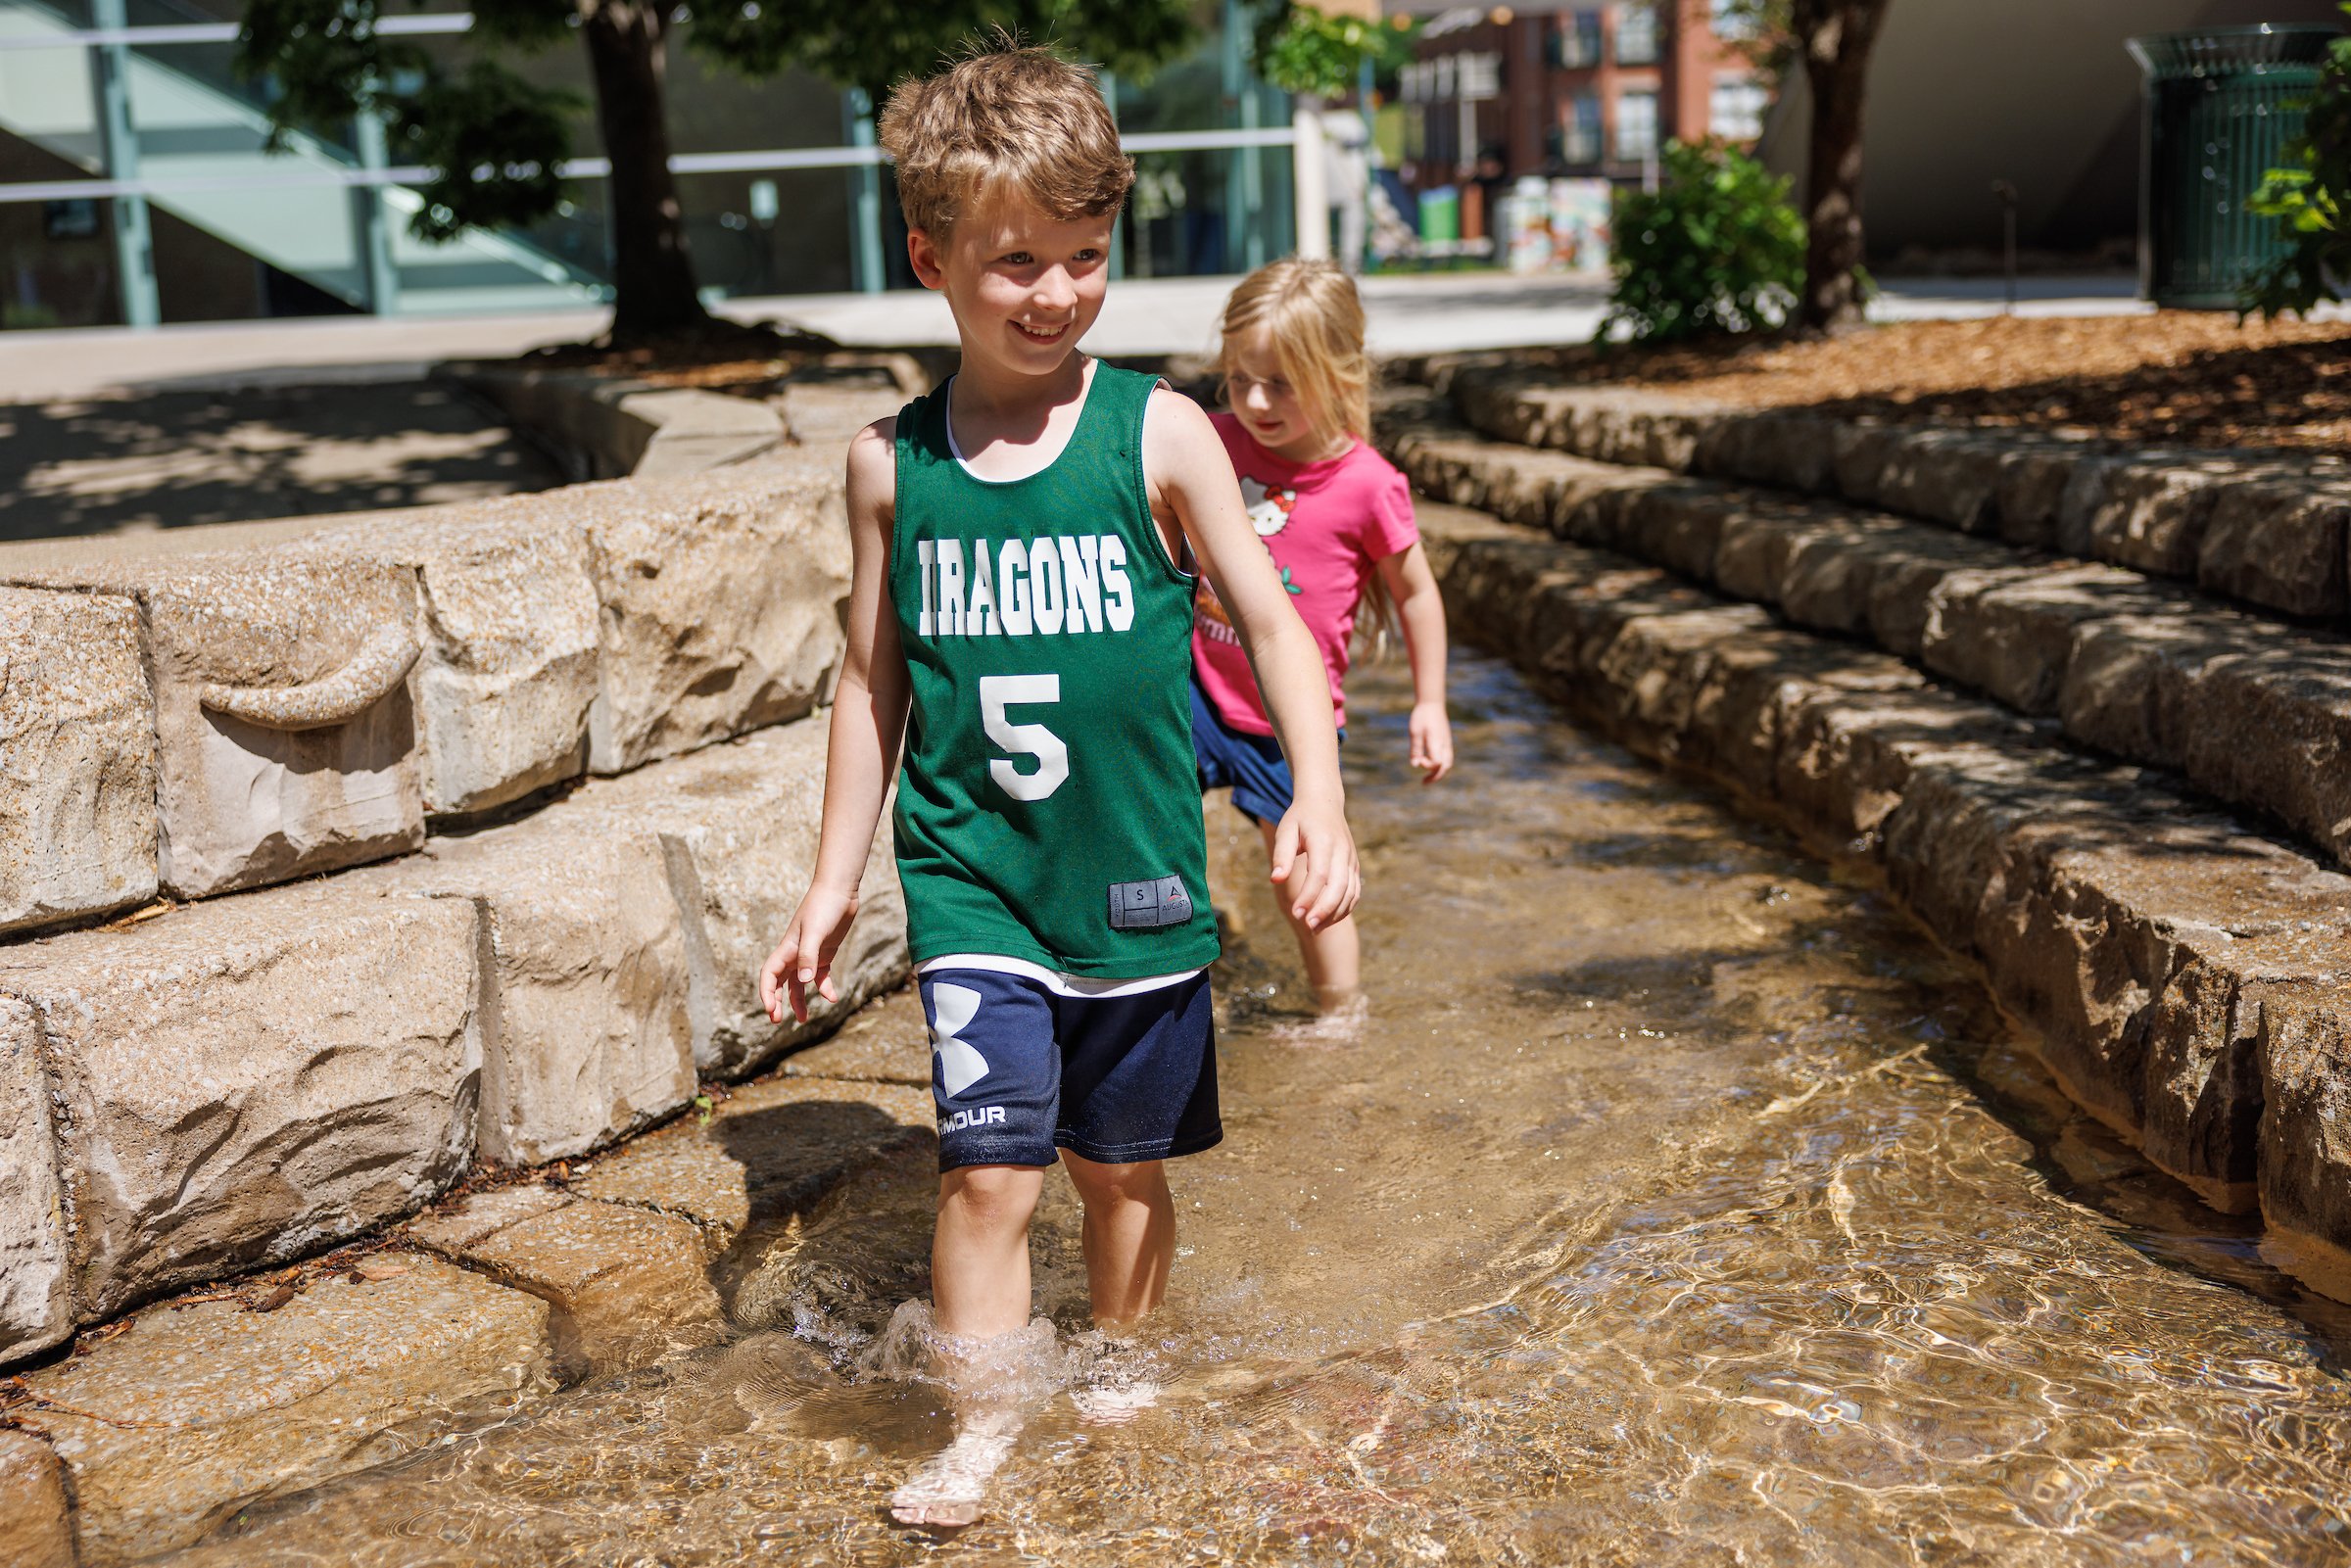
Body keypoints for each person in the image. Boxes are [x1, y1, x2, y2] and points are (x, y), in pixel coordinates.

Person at [756, 45, 1360, 1530]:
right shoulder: (890, 465)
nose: (1055, 293)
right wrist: (834, 882)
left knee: (1118, 1169)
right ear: (933, 257)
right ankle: (975, 1433)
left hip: (1138, 878)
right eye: (1015, 260)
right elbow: (869, 681)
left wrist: (1318, 800)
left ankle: (1124, 1354)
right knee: (988, 1173)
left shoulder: (1155, 435)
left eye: (1084, 258)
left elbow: (1272, 623)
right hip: (974, 878)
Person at [1191, 258, 1454, 1014]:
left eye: (1282, 382)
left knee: (1308, 881)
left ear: (1338, 374)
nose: (1257, 400)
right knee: (1143, 807)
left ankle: (1340, 1009)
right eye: (1240, 379)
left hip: (1287, 719)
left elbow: (1418, 593)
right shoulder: (1212, 441)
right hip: (1198, 683)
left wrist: (1429, 701)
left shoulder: (1367, 484)